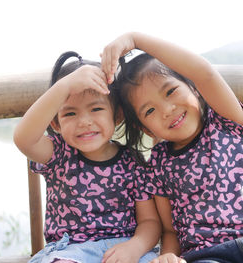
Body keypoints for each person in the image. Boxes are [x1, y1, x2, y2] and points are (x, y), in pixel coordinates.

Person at [101, 32, 243, 263]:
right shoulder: (159, 162)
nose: (167, 109)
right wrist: (168, 257)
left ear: (195, 88)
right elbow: (171, 230)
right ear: (146, 129)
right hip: (207, 255)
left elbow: (205, 73)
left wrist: (136, 40)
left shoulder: (226, 123)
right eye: (149, 111)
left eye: (171, 91)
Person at [13, 51, 161, 263]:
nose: (84, 122)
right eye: (70, 113)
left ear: (117, 115)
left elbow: (149, 221)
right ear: (56, 123)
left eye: (96, 108)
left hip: (124, 248)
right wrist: (65, 86)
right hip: (70, 251)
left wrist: (134, 247)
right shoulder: (58, 154)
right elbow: (23, 138)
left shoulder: (133, 161)